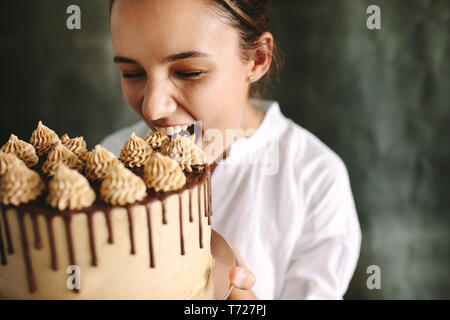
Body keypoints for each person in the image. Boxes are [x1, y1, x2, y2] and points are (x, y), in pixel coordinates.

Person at [103, 0, 362, 300]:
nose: (152, 107)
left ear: (257, 59)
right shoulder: (111, 162)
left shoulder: (313, 179)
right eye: (132, 73)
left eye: (189, 72)